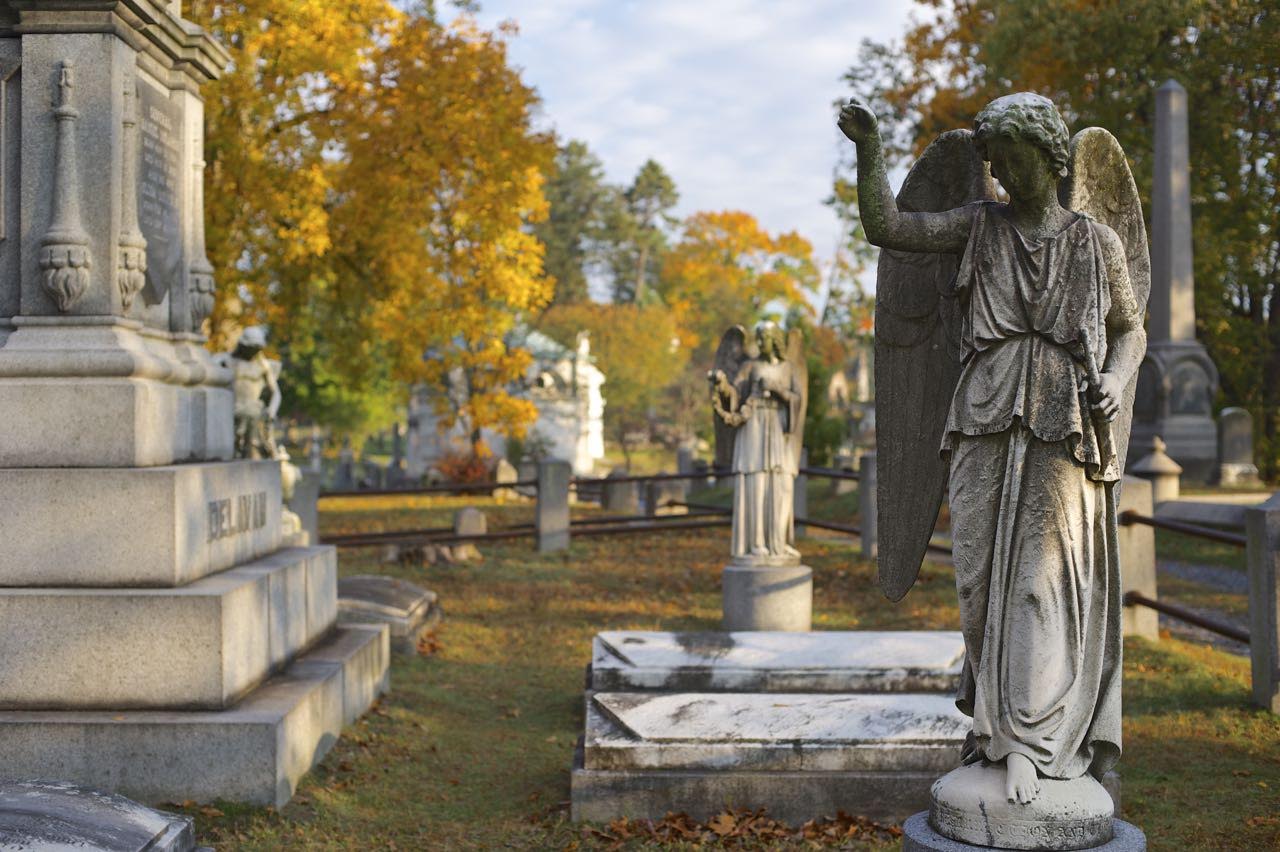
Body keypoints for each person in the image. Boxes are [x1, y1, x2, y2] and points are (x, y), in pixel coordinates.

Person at [838, 92, 1146, 805]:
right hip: (981, 415)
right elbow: (886, 225)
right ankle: (991, 730)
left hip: (1063, 418)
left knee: (1042, 583)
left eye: (1010, 156)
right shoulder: (978, 226)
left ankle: (1032, 747)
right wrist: (869, 147)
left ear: (1046, 153)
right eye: (993, 159)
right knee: (979, 586)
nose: (999, 171)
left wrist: (1114, 377)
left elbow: (1130, 329)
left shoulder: (1096, 242)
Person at [712, 322, 804, 561]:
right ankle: (757, 542)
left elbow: (797, 400)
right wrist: (722, 385)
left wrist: (778, 390)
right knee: (757, 484)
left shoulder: (788, 368)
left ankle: (779, 542)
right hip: (753, 426)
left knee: (781, 484)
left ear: (775, 340)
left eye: (765, 338)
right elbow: (735, 394)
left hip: (778, 427)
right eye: (759, 338)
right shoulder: (749, 366)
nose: (760, 342)